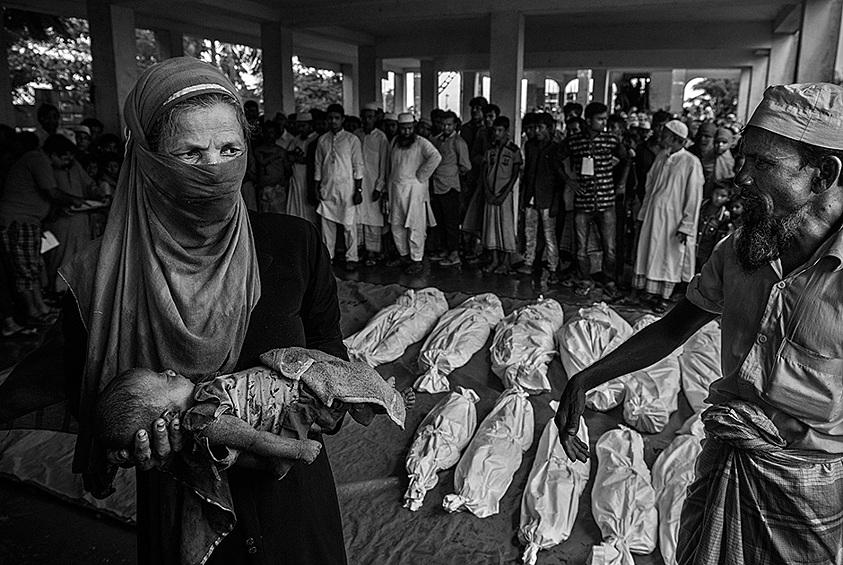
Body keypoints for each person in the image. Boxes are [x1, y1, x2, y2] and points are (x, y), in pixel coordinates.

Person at [59, 57, 349, 565]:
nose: (215, 169)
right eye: (190, 153)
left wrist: (328, 398)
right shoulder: (99, 276)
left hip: (293, 507)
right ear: (148, 159)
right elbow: (99, 409)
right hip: (182, 510)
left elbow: (329, 348)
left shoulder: (294, 242)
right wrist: (129, 446)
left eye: (229, 149)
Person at [554, 82, 843, 565]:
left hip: (811, 487)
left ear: (823, 175)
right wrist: (586, 378)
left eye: (763, 164)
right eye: (744, 159)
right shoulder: (741, 249)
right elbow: (674, 328)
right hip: (728, 462)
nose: (742, 177)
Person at [95, 347, 413, 480]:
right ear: (165, 414)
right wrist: (293, 448)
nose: (168, 370)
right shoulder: (201, 417)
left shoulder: (205, 391)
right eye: (163, 379)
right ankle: (380, 401)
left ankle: (384, 398)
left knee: (336, 383)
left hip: (290, 384)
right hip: (288, 415)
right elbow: (252, 439)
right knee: (324, 406)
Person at [0, 134, 85, 324]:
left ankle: (41, 308)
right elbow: (52, 191)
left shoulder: (36, 159)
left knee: (33, 266)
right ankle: (35, 311)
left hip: (27, 222)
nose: (66, 163)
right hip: (18, 222)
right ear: (53, 154)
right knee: (25, 269)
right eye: (64, 158)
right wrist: (75, 200)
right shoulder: (38, 159)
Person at [631, 120, 704, 313]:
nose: (660, 137)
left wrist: (686, 226)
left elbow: (693, 198)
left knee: (669, 258)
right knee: (651, 252)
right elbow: (649, 188)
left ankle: (664, 297)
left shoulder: (691, 162)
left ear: (674, 138)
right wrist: (643, 214)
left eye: (664, 134)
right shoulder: (662, 157)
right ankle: (651, 292)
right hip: (653, 216)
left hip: (674, 220)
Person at [562, 102, 630, 299]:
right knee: (581, 248)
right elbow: (556, 158)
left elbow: (626, 160)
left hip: (606, 201)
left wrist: (621, 184)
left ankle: (609, 281)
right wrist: (569, 181)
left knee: (609, 248)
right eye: (600, 119)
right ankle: (585, 280)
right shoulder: (574, 141)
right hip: (582, 202)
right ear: (589, 120)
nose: (603, 122)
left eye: (604, 119)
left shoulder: (611, 140)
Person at [384, 113, 442, 275]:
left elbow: (436, 157)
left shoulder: (421, 143)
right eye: (403, 129)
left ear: (414, 127)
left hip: (414, 192)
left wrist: (421, 175)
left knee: (415, 226)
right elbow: (390, 166)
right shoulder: (394, 142)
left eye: (409, 128)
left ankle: (416, 259)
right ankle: (404, 256)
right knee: (397, 225)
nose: (406, 132)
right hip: (395, 190)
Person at [314, 103, 364, 269]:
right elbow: (318, 165)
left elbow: (358, 166)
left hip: (347, 189)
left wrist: (358, 189)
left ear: (342, 119)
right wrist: (316, 186)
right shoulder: (322, 139)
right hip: (327, 187)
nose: (333, 121)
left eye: (336, 118)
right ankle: (329, 257)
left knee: (349, 225)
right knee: (327, 226)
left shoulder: (351, 139)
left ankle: (352, 258)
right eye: (330, 118)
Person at [518, 113, 564, 282]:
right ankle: (529, 262)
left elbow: (558, 179)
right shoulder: (530, 146)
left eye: (541, 128)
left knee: (549, 235)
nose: (536, 131)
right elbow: (529, 171)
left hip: (547, 196)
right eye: (535, 127)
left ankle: (553, 267)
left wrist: (555, 202)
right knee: (530, 232)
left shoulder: (555, 148)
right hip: (531, 194)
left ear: (550, 129)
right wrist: (524, 195)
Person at [480, 116, 522, 274]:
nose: (496, 133)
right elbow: (484, 172)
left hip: (504, 195)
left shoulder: (513, 151)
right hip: (490, 193)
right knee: (490, 227)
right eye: (495, 130)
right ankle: (494, 260)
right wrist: (487, 191)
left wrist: (504, 194)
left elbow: (515, 174)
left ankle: (504, 263)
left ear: (507, 131)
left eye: (500, 130)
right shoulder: (490, 150)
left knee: (504, 227)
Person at [430, 110, 471, 267]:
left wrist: (453, 173)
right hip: (437, 186)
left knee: (451, 222)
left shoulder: (458, 142)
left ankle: (454, 253)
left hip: (451, 187)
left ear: (455, 125)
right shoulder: (439, 140)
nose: (445, 127)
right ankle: (445, 249)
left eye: (449, 124)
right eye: (443, 124)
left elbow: (466, 166)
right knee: (440, 220)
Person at [354, 102, 390, 267]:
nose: (367, 120)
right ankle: (360, 249)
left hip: (374, 185)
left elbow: (384, 164)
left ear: (375, 118)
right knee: (359, 217)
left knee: (374, 218)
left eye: (370, 117)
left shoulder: (381, 137)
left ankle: (373, 252)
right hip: (357, 185)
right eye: (365, 117)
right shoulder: (356, 135)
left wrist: (379, 186)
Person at [286, 112, 319, 225]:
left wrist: (305, 160)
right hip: (296, 179)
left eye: (303, 126)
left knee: (309, 211)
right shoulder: (296, 139)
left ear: (310, 125)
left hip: (308, 179)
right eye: (299, 126)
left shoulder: (316, 139)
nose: (301, 129)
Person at [695, 183, 731, 271]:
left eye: (723, 196)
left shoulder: (724, 216)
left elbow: (718, 239)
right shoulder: (701, 205)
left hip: (705, 254)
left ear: (728, 198)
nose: (718, 198)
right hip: (691, 247)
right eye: (716, 194)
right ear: (712, 193)